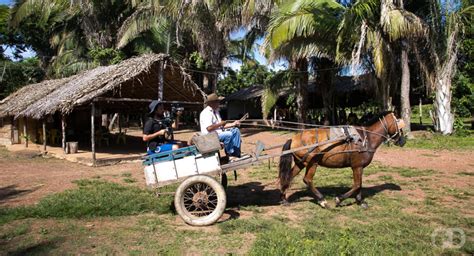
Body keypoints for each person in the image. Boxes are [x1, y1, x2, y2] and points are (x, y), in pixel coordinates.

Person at [199, 93, 242, 158]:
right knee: (228, 134)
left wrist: (234, 124)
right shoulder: (206, 113)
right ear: (212, 103)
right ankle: (229, 153)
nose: (219, 103)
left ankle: (236, 153)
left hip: (218, 134)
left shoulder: (216, 112)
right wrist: (220, 124)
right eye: (217, 102)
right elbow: (209, 128)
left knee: (236, 130)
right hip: (210, 136)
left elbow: (221, 126)